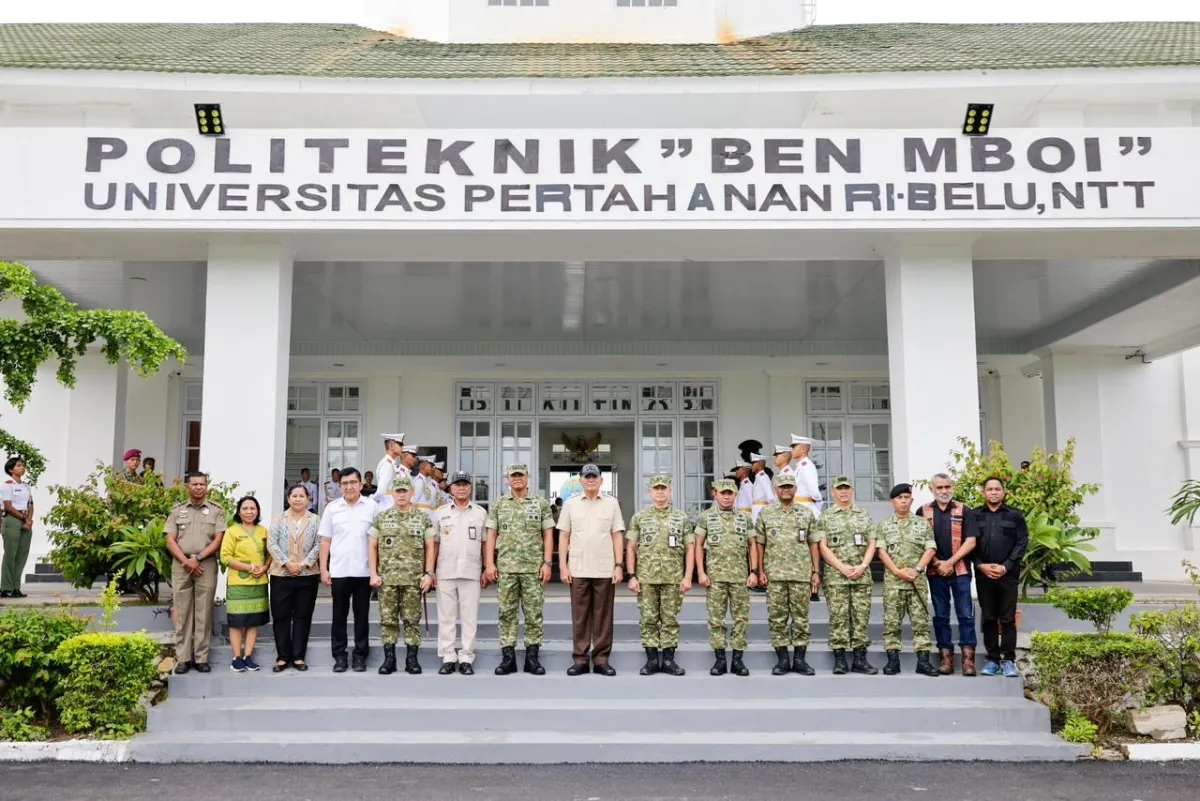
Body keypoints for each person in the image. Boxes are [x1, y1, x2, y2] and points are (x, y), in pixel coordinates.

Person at [557, 463, 626, 677]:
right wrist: (562, 566)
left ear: (601, 480)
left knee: (604, 616)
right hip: (577, 568)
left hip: (605, 567)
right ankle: (580, 659)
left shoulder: (611, 503)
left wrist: (618, 565)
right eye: (587, 477)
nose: (590, 480)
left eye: (594, 476)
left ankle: (601, 659)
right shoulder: (571, 504)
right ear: (580, 481)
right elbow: (564, 536)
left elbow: (617, 535)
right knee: (580, 616)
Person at [486, 463, 555, 676]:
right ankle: (508, 659)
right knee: (507, 613)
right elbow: (491, 535)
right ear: (508, 479)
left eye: (520, 475)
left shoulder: (540, 504)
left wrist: (547, 563)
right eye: (513, 476)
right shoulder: (499, 504)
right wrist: (489, 563)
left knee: (534, 614)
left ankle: (532, 659)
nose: (517, 479)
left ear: (528, 478)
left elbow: (548, 535)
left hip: (533, 569)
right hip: (506, 568)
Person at [626, 473, 694, 677]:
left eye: (664, 488)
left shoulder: (681, 518)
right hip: (646, 578)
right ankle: (652, 660)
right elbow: (630, 548)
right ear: (650, 492)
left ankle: (669, 660)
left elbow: (690, 548)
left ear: (670, 491)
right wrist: (632, 575)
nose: (660, 492)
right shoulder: (639, 517)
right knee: (648, 619)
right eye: (656, 488)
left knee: (670, 619)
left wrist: (688, 576)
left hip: (673, 578)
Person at [369, 474, 436, 675]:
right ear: (393, 493)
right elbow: (372, 546)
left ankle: (411, 659)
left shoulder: (423, 518)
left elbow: (430, 547)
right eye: (397, 491)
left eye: (405, 491)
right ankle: (389, 659)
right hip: (387, 579)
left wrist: (429, 573)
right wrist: (373, 573)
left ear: (411, 493)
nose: (401, 495)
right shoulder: (381, 517)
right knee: (388, 620)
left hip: (414, 579)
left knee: (412, 619)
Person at [756, 472, 820, 676]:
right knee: (777, 618)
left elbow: (813, 543)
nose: (785, 489)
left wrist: (816, 571)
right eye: (782, 486)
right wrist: (760, 570)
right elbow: (759, 544)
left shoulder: (806, 513)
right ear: (776, 490)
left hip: (801, 575)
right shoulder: (766, 513)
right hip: (775, 575)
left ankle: (800, 659)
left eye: (789, 486)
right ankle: (782, 659)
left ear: (795, 489)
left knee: (801, 618)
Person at [163, 472, 226, 674]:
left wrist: (197, 559)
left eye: (202, 484)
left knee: (204, 612)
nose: (199, 487)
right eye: (195, 484)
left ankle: (201, 658)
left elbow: (218, 539)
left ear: (207, 486)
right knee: (182, 612)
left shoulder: (216, 510)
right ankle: (182, 659)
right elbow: (170, 540)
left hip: (205, 564)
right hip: (181, 565)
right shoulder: (176, 510)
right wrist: (186, 560)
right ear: (187, 487)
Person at [696, 478, 758, 676]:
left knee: (741, 619)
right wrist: (701, 572)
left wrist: (754, 571)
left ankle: (738, 660)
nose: (726, 496)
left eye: (729, 493)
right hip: (715, 578)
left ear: (735, 495)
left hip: (740, 577)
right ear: (716, 494)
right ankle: (720, 660)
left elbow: (752, 546)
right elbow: (698, 545)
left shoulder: (744, 518)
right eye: (722, 493)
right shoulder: (706, 517)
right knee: (716, 620)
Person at [876, 483, 940, 677]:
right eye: (899, 498)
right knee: (892, 623)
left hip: (916, 582)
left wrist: (917, 569)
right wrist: (897, 571)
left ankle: (923, 661)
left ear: (911, 500)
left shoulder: (922, 523)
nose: (903, 501)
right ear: (892, 501)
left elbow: (930, 548)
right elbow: (881, 551)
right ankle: (893, 661)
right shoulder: (884, 525)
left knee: (920, 622)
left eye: (906, 498)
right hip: (894, 583)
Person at [919, 472, 980, 676]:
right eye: (939, 487)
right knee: (941, 615)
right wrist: (938, 563)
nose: (944, 491)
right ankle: (945, 659)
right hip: (936, 572)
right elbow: (921, 542)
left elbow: (971, 541)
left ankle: (968, 661)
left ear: (952, 487)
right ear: (932, 489)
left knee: (965, 615)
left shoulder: (965, 510)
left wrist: (951, 562)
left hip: (960, 570)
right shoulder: (923, 511)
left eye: (947, 487)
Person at [816, 476, 877, 675]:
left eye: (846, 488)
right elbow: (822, 546)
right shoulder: (826, 517)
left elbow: (872, 542)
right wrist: (841, 567)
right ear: (833, 492)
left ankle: (860, 658)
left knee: (861, 617)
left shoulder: (864, 514)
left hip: (861, 575)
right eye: (839, 489)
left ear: (852, 491)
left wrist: (863, 565)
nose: (843, 492)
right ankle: (840, 659)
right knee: (838, 617)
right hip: (836, 577)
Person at [318, 467, 377, 673]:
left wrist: (376, 571)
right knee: (339, 616)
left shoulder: (372, 507)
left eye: (353, 482)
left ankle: (360, 656)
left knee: (362, 616)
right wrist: (323, 569)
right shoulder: (332, 508)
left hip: (363, 571)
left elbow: (376, 541)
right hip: (339, 571)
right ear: (340, 486)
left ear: (361, 485)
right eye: (345, 483)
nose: (349, 487)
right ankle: (340, 656)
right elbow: (325, 541)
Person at [432, 471, 488, 675]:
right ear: (451, 488)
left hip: (471, 571)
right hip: (445, 571)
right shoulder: (440, 513)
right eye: (457, 484)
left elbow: (485, 544)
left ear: (470, 488)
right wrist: (430, 571)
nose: (461, 488)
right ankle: (448, 656)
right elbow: (434, 544)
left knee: (469, 617)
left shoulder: (480, 513)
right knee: (446, 616)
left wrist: (486, 568)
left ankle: (466, 657)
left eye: (465, 484)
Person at [974, 477, 1029, 678]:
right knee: (988, 618)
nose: (994, 492)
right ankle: (992, 659)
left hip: (1008, 576)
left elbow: (1022, 542)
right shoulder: (975, 515)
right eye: (990, 489)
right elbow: (970, 543)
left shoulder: (1015, 515)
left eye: (997, 489)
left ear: (1003, 492)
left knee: (1007, 619)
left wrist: (1006, 566)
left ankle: (1008, 660)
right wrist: (981, 565)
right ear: (984, 492)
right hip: (983, 576)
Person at [267, 483, 321, 672]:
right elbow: (271, 543)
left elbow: (319, 544)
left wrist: (304, 564)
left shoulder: (315, 520)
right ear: (288, 498)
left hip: (308, 575)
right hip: (282, 574)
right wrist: (287, 563)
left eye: (302, 496)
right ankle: (282, 657)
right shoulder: (278, 519)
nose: (298, 499)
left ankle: (298, 657)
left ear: (308, 499)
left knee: (302, 616)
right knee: (281, 616)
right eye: (294, 496)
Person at [220, 496, 271, 672]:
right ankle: (236, 657)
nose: (249, 512)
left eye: (253, 508)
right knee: (237, 621)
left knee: (253, 621)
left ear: (257, 511)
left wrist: (264, 568)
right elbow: (225, 557)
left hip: (259, 582)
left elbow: (270, 553)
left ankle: (248, 656)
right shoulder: (232, 531)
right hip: (238, 584)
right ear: (239, 512)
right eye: (245, 508)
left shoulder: (263, 531)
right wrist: (249, 567)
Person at [1, 457, 34, 599]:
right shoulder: (6, 485)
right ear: (11, 469)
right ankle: (5, 588)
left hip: (25, 520)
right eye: (18, 465)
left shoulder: (26, 486)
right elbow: (8, 506)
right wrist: (24, 519)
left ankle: (16, 587)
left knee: (22, 555)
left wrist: (29, 520)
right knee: (10, 554)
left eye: (22, 465)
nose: (22, 468)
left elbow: (31, 504)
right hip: (12, 519)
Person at [789, 434, 823, 516]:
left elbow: (813, 489)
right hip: (798, 506)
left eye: (794, 447)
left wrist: (817, 504)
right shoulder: (800, 466)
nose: (792, 450)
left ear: (803, 449)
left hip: (805, 508)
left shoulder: (806, 466)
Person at [372, 433, 405, 505]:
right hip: (387, 506)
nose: (402, 448)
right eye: (400, 445)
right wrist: (371, 500)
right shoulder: (387, 464)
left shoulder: (391, 463)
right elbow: (381, 491)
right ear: (391, 446)